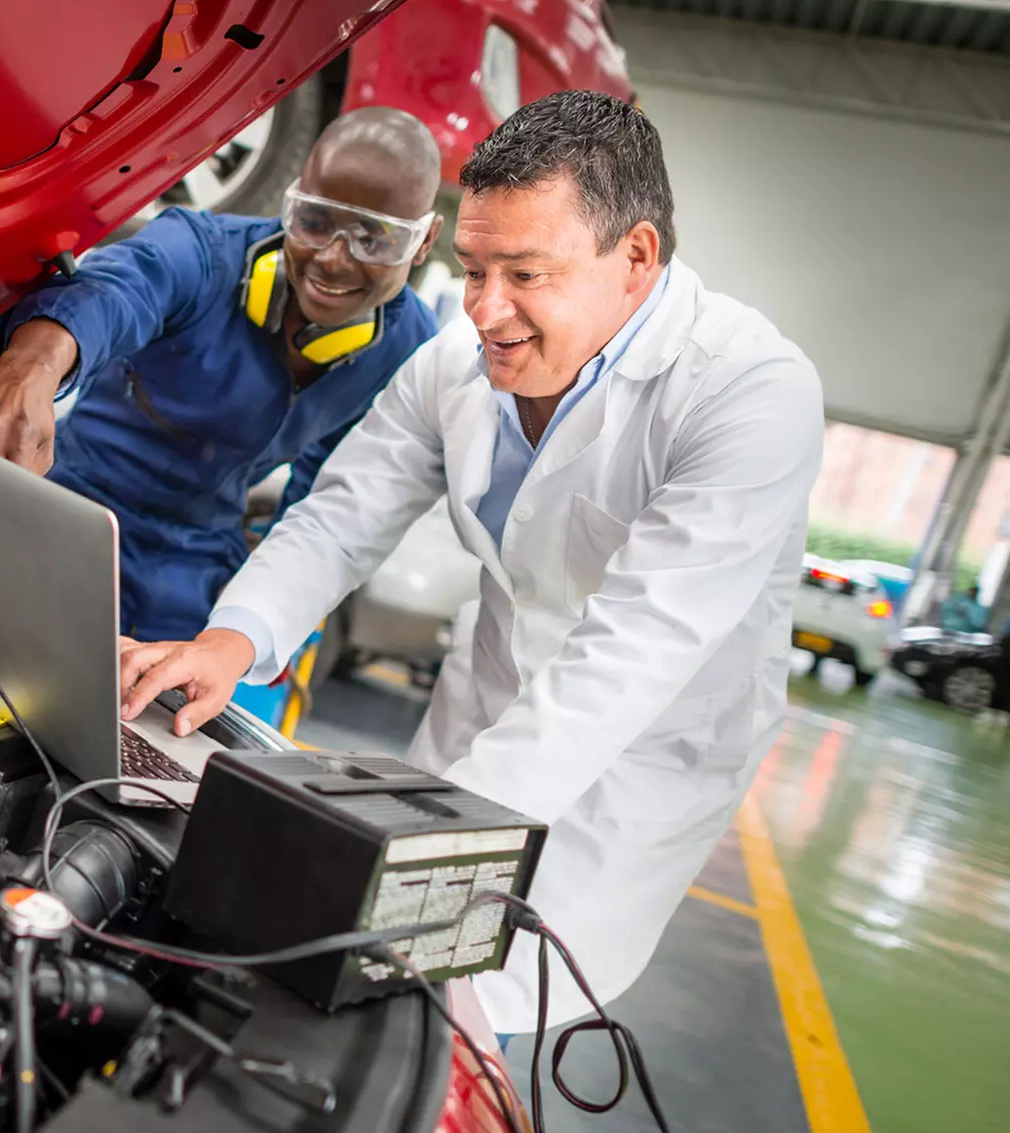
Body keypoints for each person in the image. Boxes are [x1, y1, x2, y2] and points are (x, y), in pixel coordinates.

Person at [116, 91, 825, 1036]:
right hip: (484, 703)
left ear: (638, 258)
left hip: (641, 752)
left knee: (485, 1011)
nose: (486, 311)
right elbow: (342, 518)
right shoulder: (456, 365)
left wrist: (430, 840)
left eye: (525, 274)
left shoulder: (749, 394)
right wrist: (232, 641)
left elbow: (634, 653)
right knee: (370, 972)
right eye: (473, 268)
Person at [0, 108, 445, 641]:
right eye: (315, 223)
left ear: (426, 240)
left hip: (198, 567)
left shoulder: (408, 351)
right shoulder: (203, 252)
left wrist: (275, 609)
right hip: (71, 512)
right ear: (292, 200)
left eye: (374, 239)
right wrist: (29, 371)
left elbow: (326, 490)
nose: (334, 260)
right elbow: (113, 291)